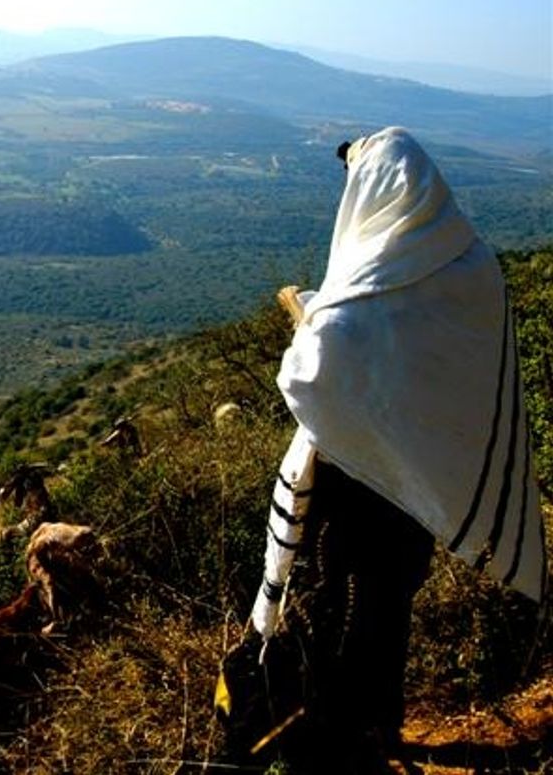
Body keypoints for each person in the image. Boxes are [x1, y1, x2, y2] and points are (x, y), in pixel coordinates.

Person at [234, 127, 547, 772]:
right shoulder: (475, 267)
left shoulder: (364, 285)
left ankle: (335, 734)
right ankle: (379, 719)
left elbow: (310, 377)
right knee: (390, 600)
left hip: (353, 483)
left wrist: (311, 325)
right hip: (422, 482)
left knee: (333, 602)